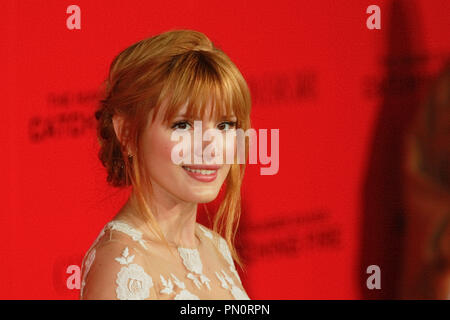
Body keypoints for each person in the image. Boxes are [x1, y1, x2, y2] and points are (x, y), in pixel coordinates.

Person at [80, 29, 252, 300]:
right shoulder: (122, 265)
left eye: (224, 125)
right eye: (182, 125)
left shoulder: (215, 248)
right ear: (126, 134)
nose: (210, 147)